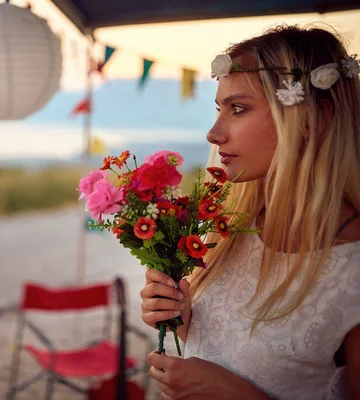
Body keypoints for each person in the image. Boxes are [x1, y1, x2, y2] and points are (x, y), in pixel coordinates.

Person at [140, 25, 360, 399]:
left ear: (311, 120)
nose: (213, 133)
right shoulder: (232, 230)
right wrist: (180, 316)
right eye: (219, 109)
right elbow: (240, 346)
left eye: (238, 109)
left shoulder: (352, 268)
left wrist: (232, 392)